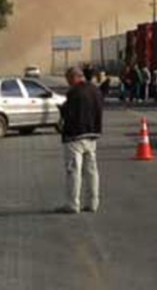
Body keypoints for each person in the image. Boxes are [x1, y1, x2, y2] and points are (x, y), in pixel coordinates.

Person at [57, 65, 103, 214]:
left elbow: (69, 114)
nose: (68, 82)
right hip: (92, 135)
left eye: (68, 79)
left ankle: (73, 204)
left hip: (75, 137)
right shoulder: (95, 90)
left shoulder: (74, 92)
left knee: (74, 171)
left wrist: (62, 110)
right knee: (92, 171)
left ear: (74, 77)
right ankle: (93, 202)